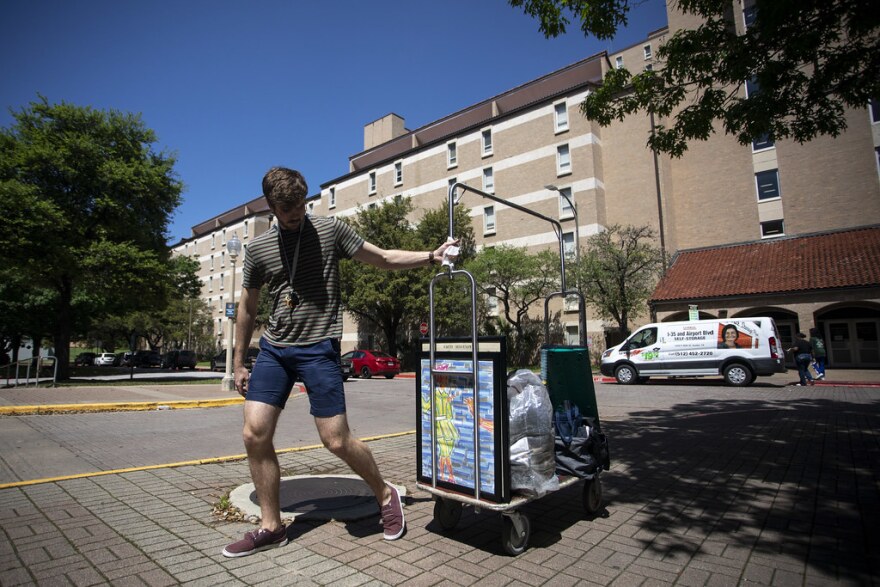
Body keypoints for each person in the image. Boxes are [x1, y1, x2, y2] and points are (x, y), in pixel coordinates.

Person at [221, 167, 459, 558]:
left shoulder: (330, 231)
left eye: (299, 205)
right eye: (287, 209)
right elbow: (247, 306)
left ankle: (384, 495)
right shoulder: (258, 250)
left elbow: (381, 258)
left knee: (335, 439)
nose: (295, 214)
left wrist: (430, 256)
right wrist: (240, 361)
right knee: (254, 433)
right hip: (275, 349)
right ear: (272, 207)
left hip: (318, 347)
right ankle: (271, 526)